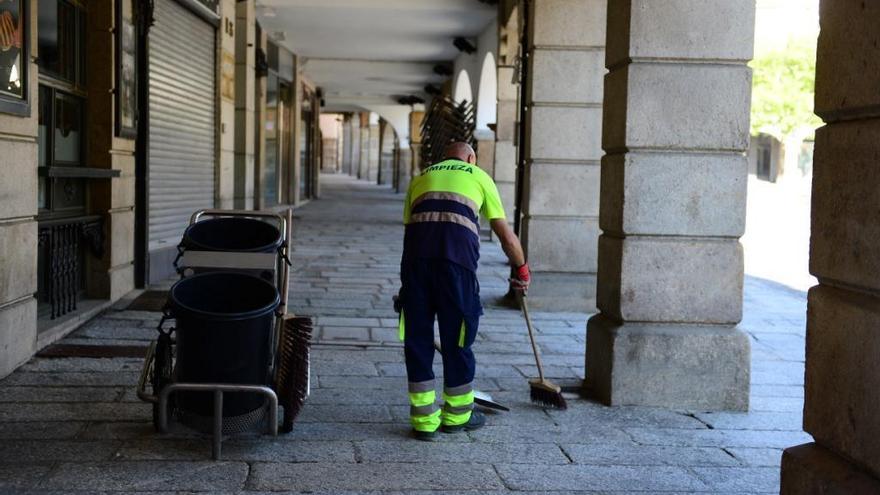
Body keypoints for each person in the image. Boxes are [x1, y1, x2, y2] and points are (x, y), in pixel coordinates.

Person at [398, 141, 530, 441]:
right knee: (457, 340)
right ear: (471, 158)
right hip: (456, 268)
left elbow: (410, 233)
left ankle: (424, 422)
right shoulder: (478, 175)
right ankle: (457, 416)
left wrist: (406, 283)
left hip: (416, 267)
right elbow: (504, 234)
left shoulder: (420, 178)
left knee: (417, 341)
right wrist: (522, 269)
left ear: (443, 157)